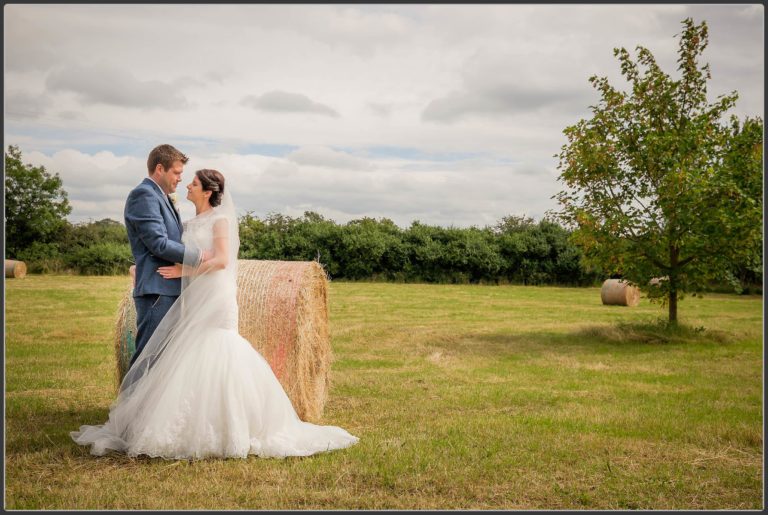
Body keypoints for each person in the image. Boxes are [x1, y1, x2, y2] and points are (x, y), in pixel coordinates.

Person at [71, 169, 359, 459]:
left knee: (219, 344)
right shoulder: (189, 223)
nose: (187, 185)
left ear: (207, 191)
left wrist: (186, 270)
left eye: (193, 183)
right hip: (195, 293)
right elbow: (162, 245)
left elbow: (222, 260)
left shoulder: (220, 220)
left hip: (216, 293)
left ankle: (231, 424)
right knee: (190, 348)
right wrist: (140, 267)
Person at [124, 144, 210, 367]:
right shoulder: (144, 195)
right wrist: (200, 256)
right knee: (149, 356)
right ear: (160, 169)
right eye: (177, 172)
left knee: (163, 359)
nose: (180, 179)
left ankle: (149, 403)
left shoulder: (159, 196)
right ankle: (133, 403)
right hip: (157, 289)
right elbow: (158, 243)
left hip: (167, 288)